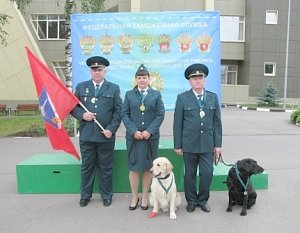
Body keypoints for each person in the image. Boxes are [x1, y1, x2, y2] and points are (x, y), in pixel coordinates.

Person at [71, 56, 122, 207]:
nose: (97, 72)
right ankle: (85, 196)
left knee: (105, 167)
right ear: (90, 71)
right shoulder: (81, 87)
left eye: (99, 70)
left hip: (105, 136)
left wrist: (111, 130)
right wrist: (82, 115)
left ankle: (106, 196)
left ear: (105, 71)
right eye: (94, 70)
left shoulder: (113, 88)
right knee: (87, 167)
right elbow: (73, 107)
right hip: (87, 136)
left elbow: (118, 111)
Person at [173, 63, 222, 213]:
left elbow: (217, 123)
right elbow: (177, 123)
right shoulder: (182, 98)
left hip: (208, 144)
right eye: (194, 78)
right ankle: (192, 201)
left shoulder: (212, 97)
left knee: (207, 173)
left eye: (200, 78)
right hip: (189, 144)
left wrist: (218, 145)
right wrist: (178, 145)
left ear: (204, 80)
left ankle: (203, 200)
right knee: (190, 175)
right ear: (190, 81)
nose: (197, 80)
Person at [122, 64, 165, 211]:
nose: (142, 80)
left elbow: (160, 114)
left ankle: (145, 196)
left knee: (148, 168)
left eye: (144, 77)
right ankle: (135, 196)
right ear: (136, 79)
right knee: (133, 168)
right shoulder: (129, 94)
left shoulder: (156, 94)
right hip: (133, 138)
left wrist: (149, 131)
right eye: (139, 77)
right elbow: (124, 114)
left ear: (149, 79)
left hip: (150, 138)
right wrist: (134, 130)